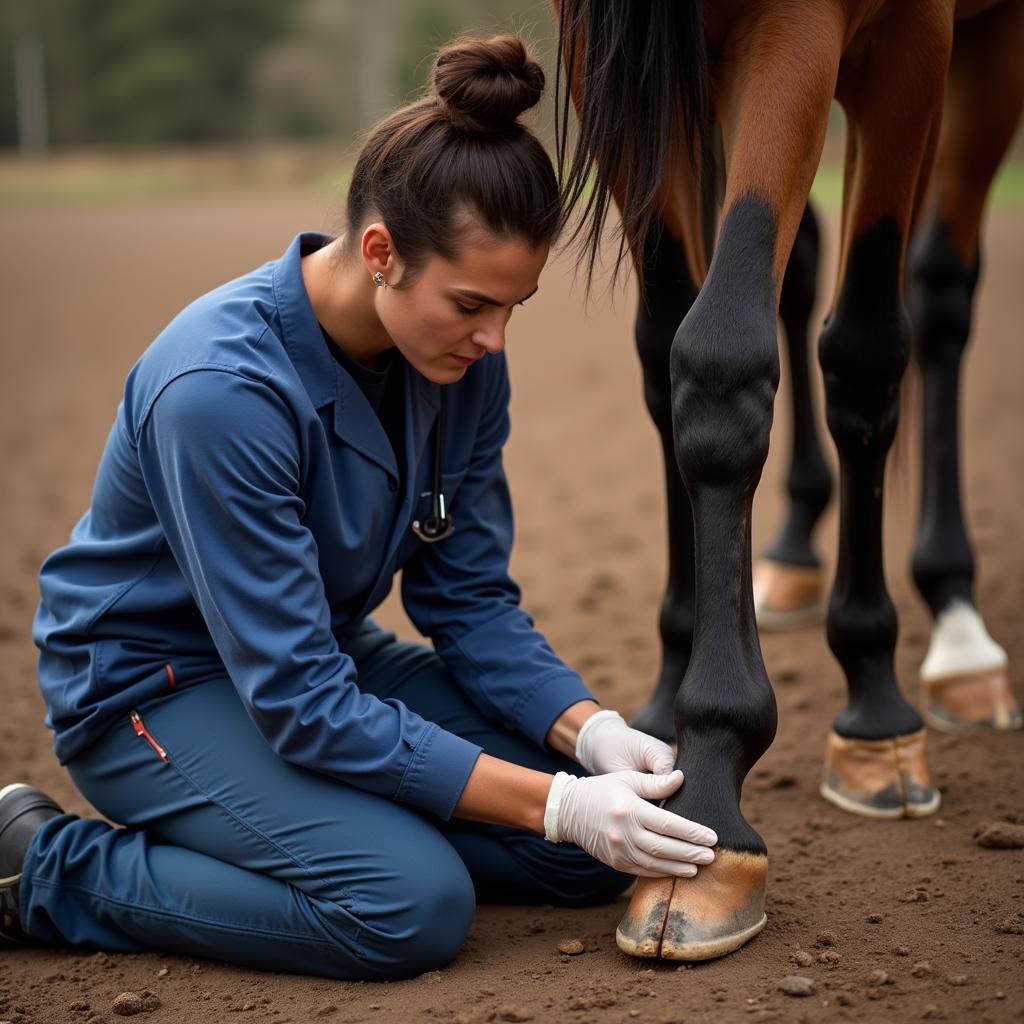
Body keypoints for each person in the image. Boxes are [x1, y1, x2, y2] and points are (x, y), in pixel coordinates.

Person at [2, 35, 717, 980]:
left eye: (515, 306)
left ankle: (323, 833)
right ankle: (41, 867)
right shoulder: (220, 390)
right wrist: (548, 799)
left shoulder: (458, 364)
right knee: (406, 905)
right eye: (471, 303)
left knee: (577, 855)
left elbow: (466, 602)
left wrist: (586, 733)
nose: (495, 339)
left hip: (317, 663)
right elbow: (300, 704)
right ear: (381, 252)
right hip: (152, 692)